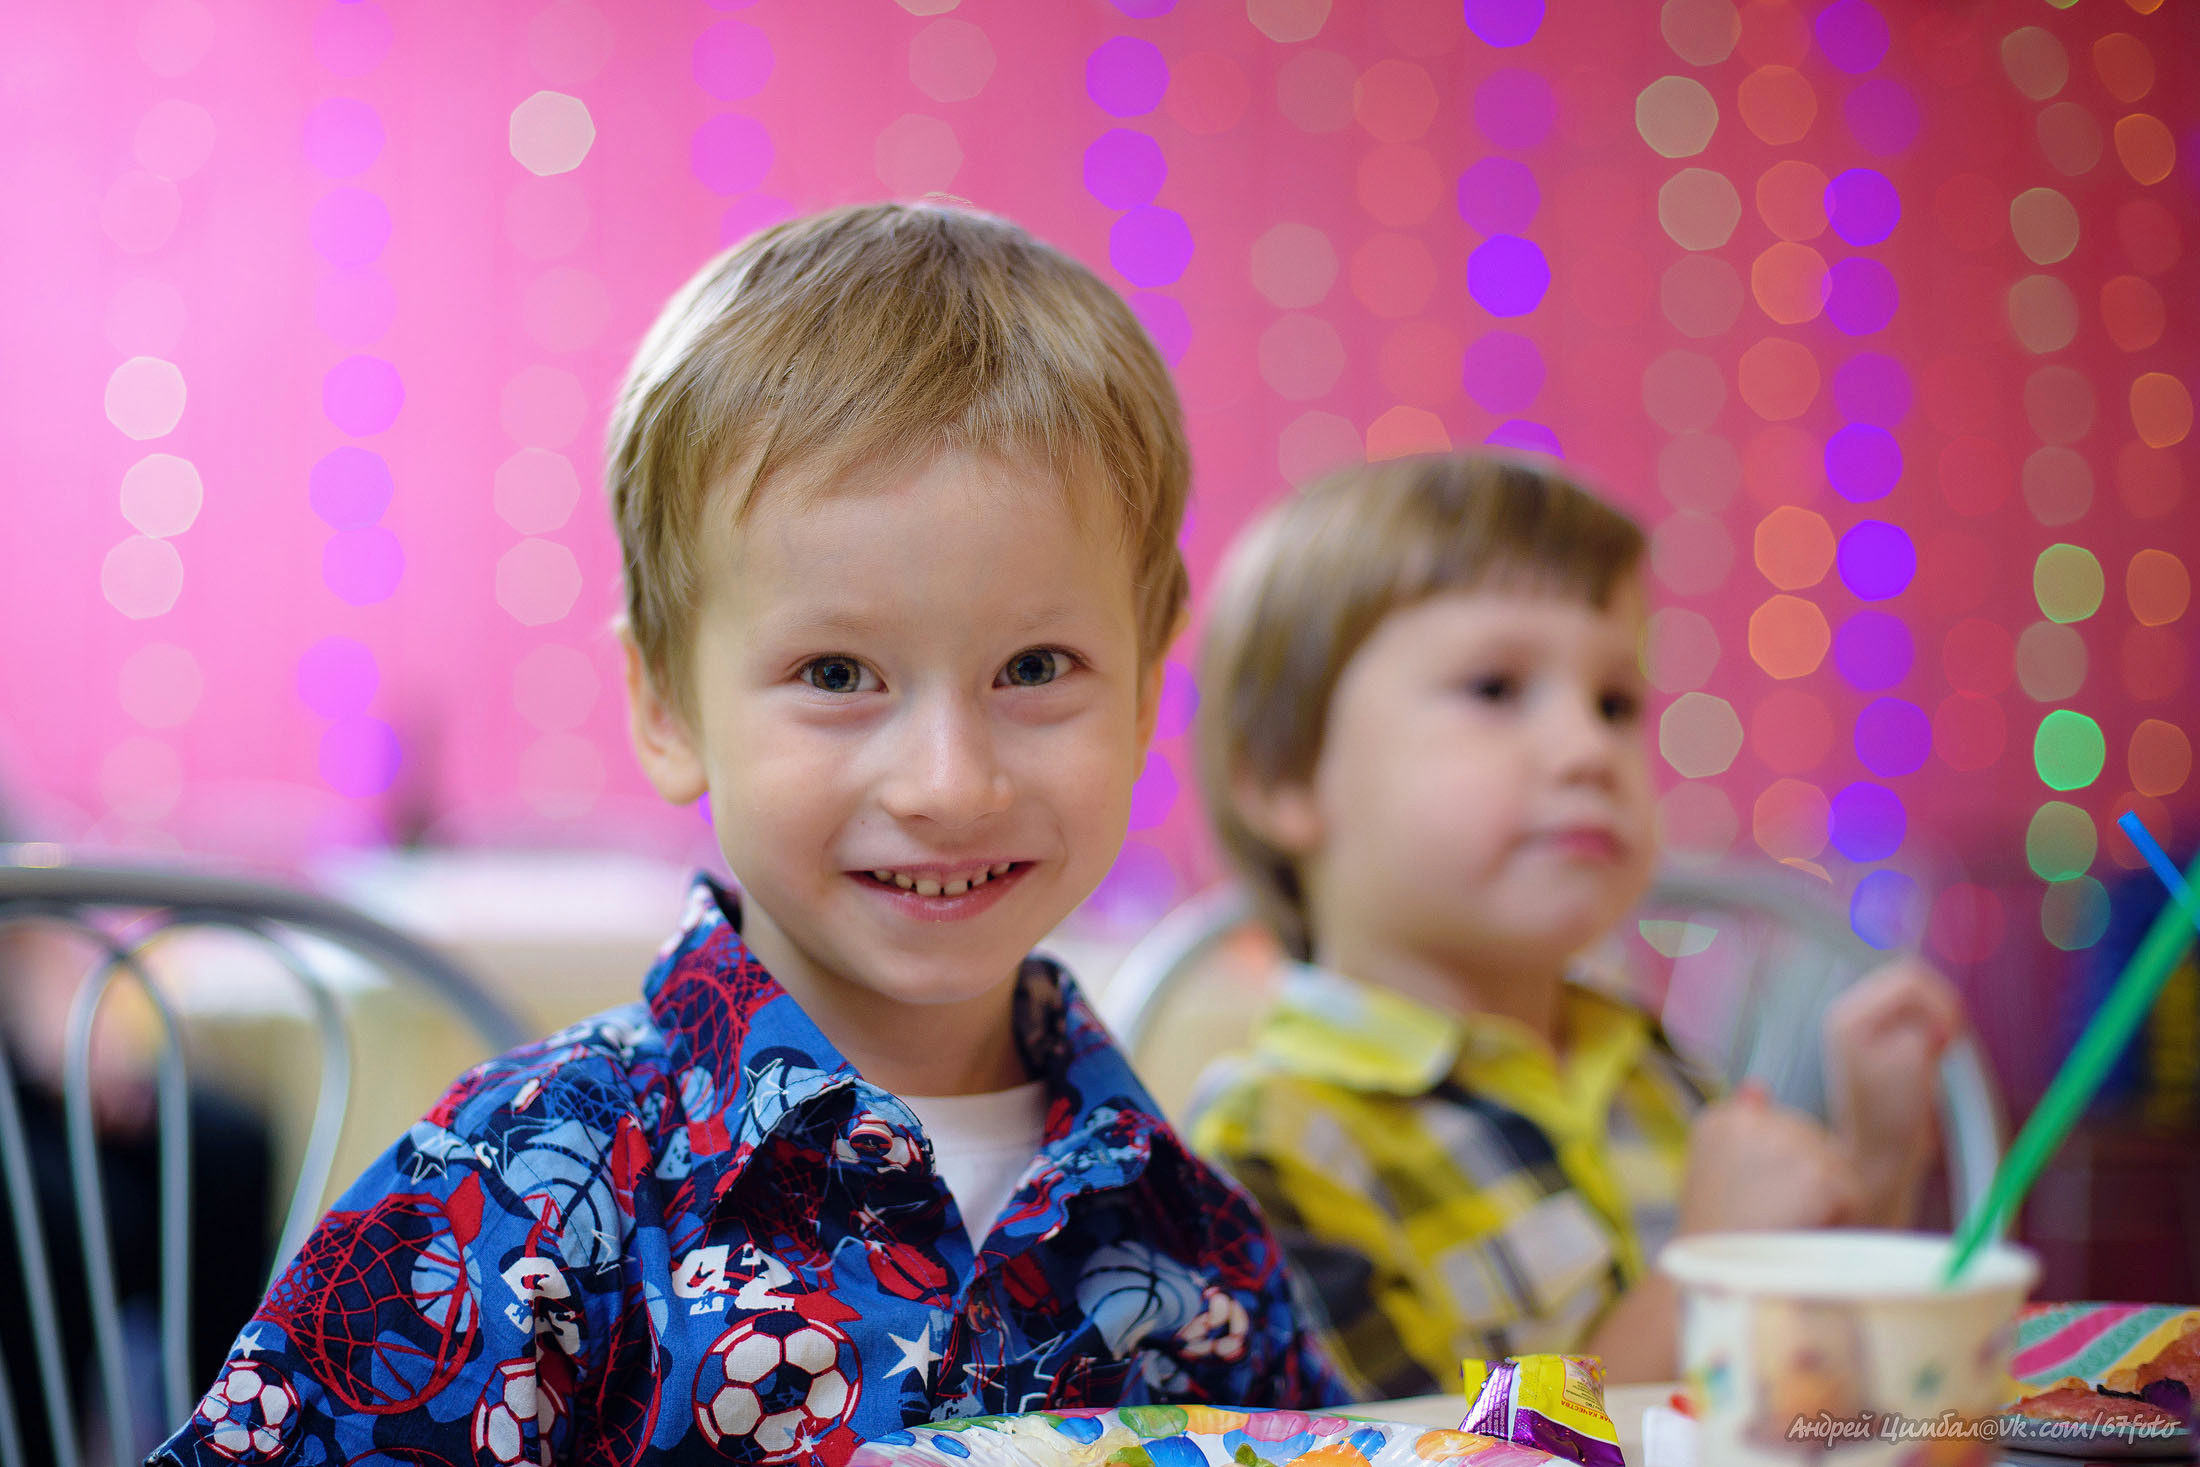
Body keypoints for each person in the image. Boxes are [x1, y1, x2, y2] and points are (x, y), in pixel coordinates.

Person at [153, 204, 1342, 1467]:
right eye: (837, 674)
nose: (949, 783)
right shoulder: (515, 1198)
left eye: (1035, 666)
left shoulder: (1195, 1241)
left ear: (1152, 688)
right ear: (666, 705)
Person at [1185, 453, 1966, 1393]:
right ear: (1285, 777)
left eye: (1616, 703)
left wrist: (1875, 1170)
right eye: (1495, 688)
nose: (1590, 747)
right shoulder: (1267, 1146)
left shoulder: (1649, 1065)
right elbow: (1431, 1461)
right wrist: (1707, 1272)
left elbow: (1804, 1391)